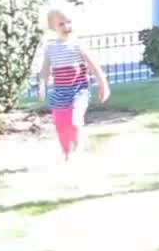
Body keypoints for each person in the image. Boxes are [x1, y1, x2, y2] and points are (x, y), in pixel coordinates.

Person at [38, 9, 111, 160]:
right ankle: (66, 152)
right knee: (60, 125)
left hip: (79, 91)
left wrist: (103, 85)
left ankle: (77, 144)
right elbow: (45, 70)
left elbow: (94, 67)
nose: (67, 27)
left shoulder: (78, 45)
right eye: (61, 24)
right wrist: (42, 86)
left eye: (69, 22)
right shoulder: (50, 48)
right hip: (60, 93)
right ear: (53, 27)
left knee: (74, 121)